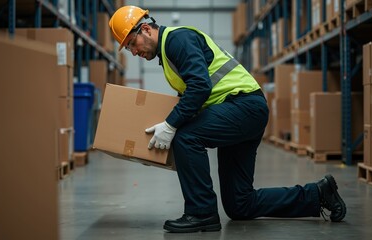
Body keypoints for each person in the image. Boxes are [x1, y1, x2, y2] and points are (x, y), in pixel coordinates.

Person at [108, 5, 347, 233]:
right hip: (239, 111)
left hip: (244, 106)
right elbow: (194, 95)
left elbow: (200, 87)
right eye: (129, 49)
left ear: (146, 29)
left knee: (186, 136)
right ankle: (318, 194)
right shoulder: (167, 56)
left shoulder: (177, 40)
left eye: (132, 44)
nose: (134, 52)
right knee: (240, 205)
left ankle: (201, 213)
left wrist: (171, 124)